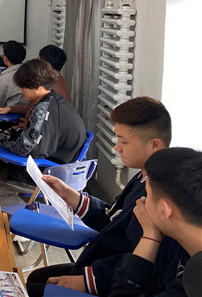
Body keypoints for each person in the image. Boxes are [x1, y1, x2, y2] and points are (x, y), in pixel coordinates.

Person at [25, 97, 172, 297]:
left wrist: (87, 282)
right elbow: (111, 217)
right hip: (100, 264)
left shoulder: (156, 197)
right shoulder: (143, 176)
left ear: (154, 145)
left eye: (124, 141)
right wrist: (67, 193)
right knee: (37, 278)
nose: (116, 147)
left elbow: (141, 264)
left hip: (114, 281)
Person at [109, 147, 202, 297]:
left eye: (147, 195)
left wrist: (149, 236)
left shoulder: (196, 279)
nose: (142, 200)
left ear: (164, 210)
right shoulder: (187, 244)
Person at [0, 59, 85, 165]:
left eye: (23, 86)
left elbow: (28, 148)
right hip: (54, 155)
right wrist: (10, 134)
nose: (21, 90)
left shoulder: (44, 109)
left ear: (37, 88)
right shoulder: (53, 100)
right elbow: (33, 136)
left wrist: (0, 138)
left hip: (52, 164)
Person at [0, 44, 71, 127]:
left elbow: (38, 127)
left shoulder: (51, 92)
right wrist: (10, 109)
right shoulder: (57, 81)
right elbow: (31, 108)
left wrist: (10, 132)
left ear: (44, 64)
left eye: (38, 60)